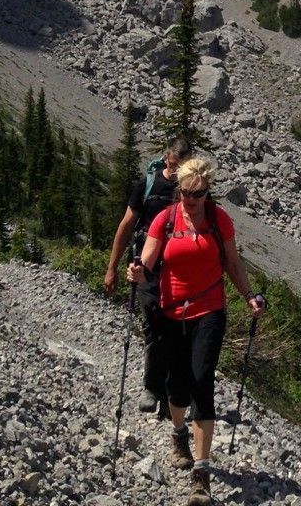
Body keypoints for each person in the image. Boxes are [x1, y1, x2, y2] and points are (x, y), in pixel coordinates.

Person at [127, 155, 266, 506]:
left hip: (209, 310)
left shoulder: (219, 221)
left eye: (198, 193)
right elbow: (147, 260)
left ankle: (201, 477)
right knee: (177, 385)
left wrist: (249, 295)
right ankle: (178, 434)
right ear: (179, 188)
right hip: (172, 311)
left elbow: (232, 263)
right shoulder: (165, 220)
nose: (191, 199)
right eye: (186, 192)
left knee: (203, 379)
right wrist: (138, 273)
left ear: (208, 191)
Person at [104, 134, 192, 414]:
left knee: (177, 327)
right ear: (167, 158)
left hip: (178, 268)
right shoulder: (149, 184)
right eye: (176, 164)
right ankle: (152, 388)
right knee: (153, 323)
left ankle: (171, 390)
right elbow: (127, 224)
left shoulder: (191, 189)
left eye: (184, 166)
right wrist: (112, 268)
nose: (179, 172)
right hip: (146, 266)